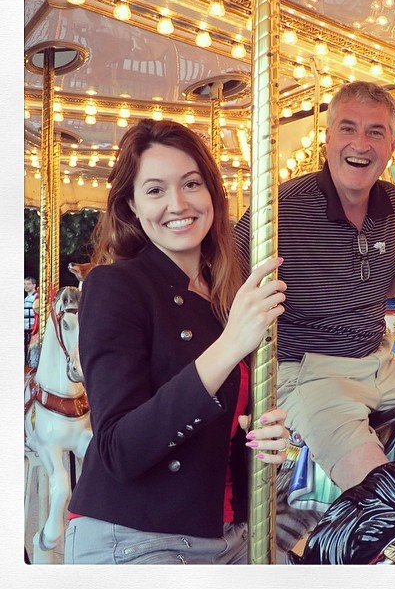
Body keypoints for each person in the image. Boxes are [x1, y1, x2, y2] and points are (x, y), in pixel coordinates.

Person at [65, 119, 289, 565]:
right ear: (130, 205)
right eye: (155, 190)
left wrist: (267, 441)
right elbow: (119, 449)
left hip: (230, 533)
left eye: (191, 184)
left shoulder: (228, 293)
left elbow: (226, 429)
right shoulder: (114, 287)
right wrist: (229, 346)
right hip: (136, 536)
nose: (178, 203)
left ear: (212, 195)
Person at [234, 81, 395, 492]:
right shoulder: (284, 208)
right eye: (348, 128)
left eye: (376, 132)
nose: (361, 143)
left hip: (378, 364)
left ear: (391, 146)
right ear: (328, 138)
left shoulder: (390, 202)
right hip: (307, 372)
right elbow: (224, 277)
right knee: (383, 495)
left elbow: (375, 286)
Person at [23, 276, 38, 364]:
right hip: (26, 325)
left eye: (28, 284)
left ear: (34, 285)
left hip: (32, 325)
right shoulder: (27, 298)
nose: (26, 286)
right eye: (25, 284)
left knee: (32, 347)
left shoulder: (36, 297)